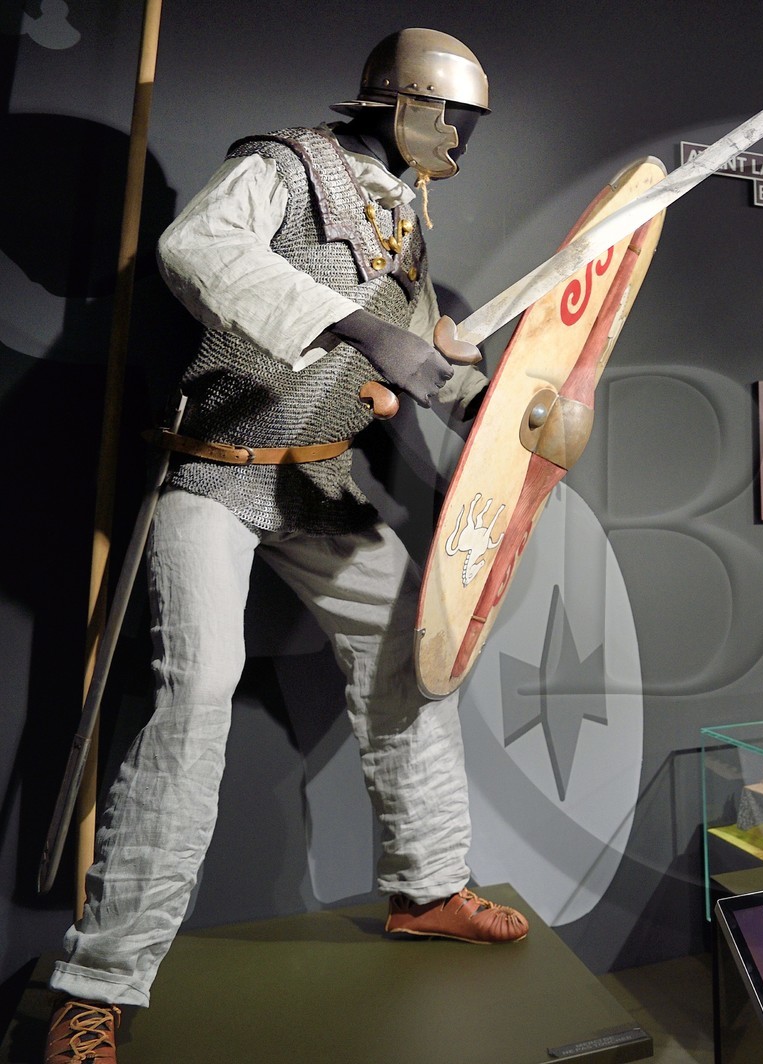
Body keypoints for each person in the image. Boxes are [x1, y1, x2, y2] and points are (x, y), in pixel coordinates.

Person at [44, 28, 526, 1064]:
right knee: (196, 694)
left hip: (320, 478)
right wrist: (362, 326)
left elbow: (420, 356)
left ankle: (428, 887)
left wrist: (488, 398)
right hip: (216, 471)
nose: (460, 138)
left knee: (412, 655)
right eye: (452, 117)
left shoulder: (407, 212)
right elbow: (197, 251)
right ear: (401, 104)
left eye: (471, 123)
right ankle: (100, 982)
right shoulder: (285, 162)